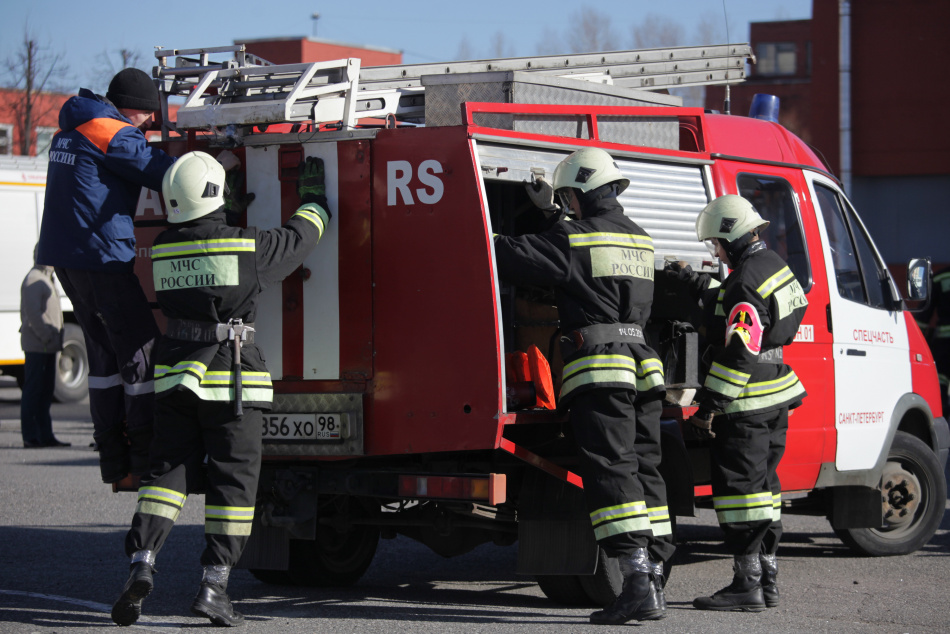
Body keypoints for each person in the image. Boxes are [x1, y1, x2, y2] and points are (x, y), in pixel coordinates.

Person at [111, 151, 330, 627]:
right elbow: (299, 239)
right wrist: (314, 201)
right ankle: (213, 586)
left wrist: (218, 202)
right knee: (233, 482)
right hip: (232, 382)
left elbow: (203, 239)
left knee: (167, 474)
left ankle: (141, 561)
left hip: (176, 379)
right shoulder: (245, 248)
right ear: (214, 196)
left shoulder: (165, 247)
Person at [494, 147, 672, 625]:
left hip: (602, 370)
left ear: (577, 194)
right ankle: (652, 576)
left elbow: (513, 256)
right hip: (645, 370)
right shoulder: (641, 238)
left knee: (611, 470)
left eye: (568, 196)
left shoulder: (572, 238)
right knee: (643, 471)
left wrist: (479, 229)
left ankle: (634, 583)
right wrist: (553, 212)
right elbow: (588, 250)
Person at [35, 68, 175, 484]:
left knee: (105, 358)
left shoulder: (72, 127)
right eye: (149, 116)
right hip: (101, 259)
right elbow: (166, 174)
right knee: (141, 350)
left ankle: (116, 463)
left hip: (67, 260)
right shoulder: (111, 132)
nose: (151, 124)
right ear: (135, 109)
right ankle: (147, 460)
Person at [669, 194, 807, 612]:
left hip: (745, 402)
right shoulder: (774, 266)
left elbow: (739, 348)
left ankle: (745, 584)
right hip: (775, 395)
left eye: (716, 243)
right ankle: (766, 580)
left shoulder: (745, 279)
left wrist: (708, 407)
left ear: (731, 236)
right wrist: (698, 283)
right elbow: (742, 304)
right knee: (765, 490)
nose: (715, 250)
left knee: (739, 493)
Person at [19, 251, 69, 448]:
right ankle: (30, 436)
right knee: (33, 391)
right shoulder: (34, 279)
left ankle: (45, 435)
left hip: (47, 346)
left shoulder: (47, 278)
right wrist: (48, 336)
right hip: (38, 346)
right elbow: (34, 315)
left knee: (45, 392)